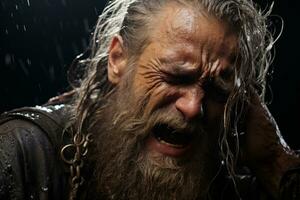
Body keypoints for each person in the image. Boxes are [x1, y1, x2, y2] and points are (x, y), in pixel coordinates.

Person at [0, 0, 299, 199]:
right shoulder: (24, 153)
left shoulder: (229, 182)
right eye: (176, 76)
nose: (193, 106)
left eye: (219, 90)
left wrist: (276, 163)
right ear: (118, 59)